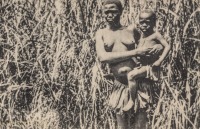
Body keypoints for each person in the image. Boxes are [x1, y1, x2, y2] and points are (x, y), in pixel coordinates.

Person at [95, 0, 163, 128]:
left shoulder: (131, 30)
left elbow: (149, 40)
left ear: (120, 12)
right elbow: (103, 57)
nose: (110, 15)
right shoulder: (101, 33)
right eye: (106, 12)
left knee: (141, 124)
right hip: (119, 85)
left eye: (114, 12)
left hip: (139, 82)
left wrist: (158, 46)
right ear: (102, 13)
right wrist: (135, 52)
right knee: (122, 125)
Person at [122, 9, 171, 111]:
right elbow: (130, 29)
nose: (144, 25)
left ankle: (132, 100)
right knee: (123, 70)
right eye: (141, 22)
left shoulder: (156, 35)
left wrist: (159, 61)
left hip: (150, 67)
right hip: (140, 65)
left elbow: (167, 46)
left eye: (147, 23)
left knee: (131, 76)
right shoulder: (141, 36)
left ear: (153, 23)